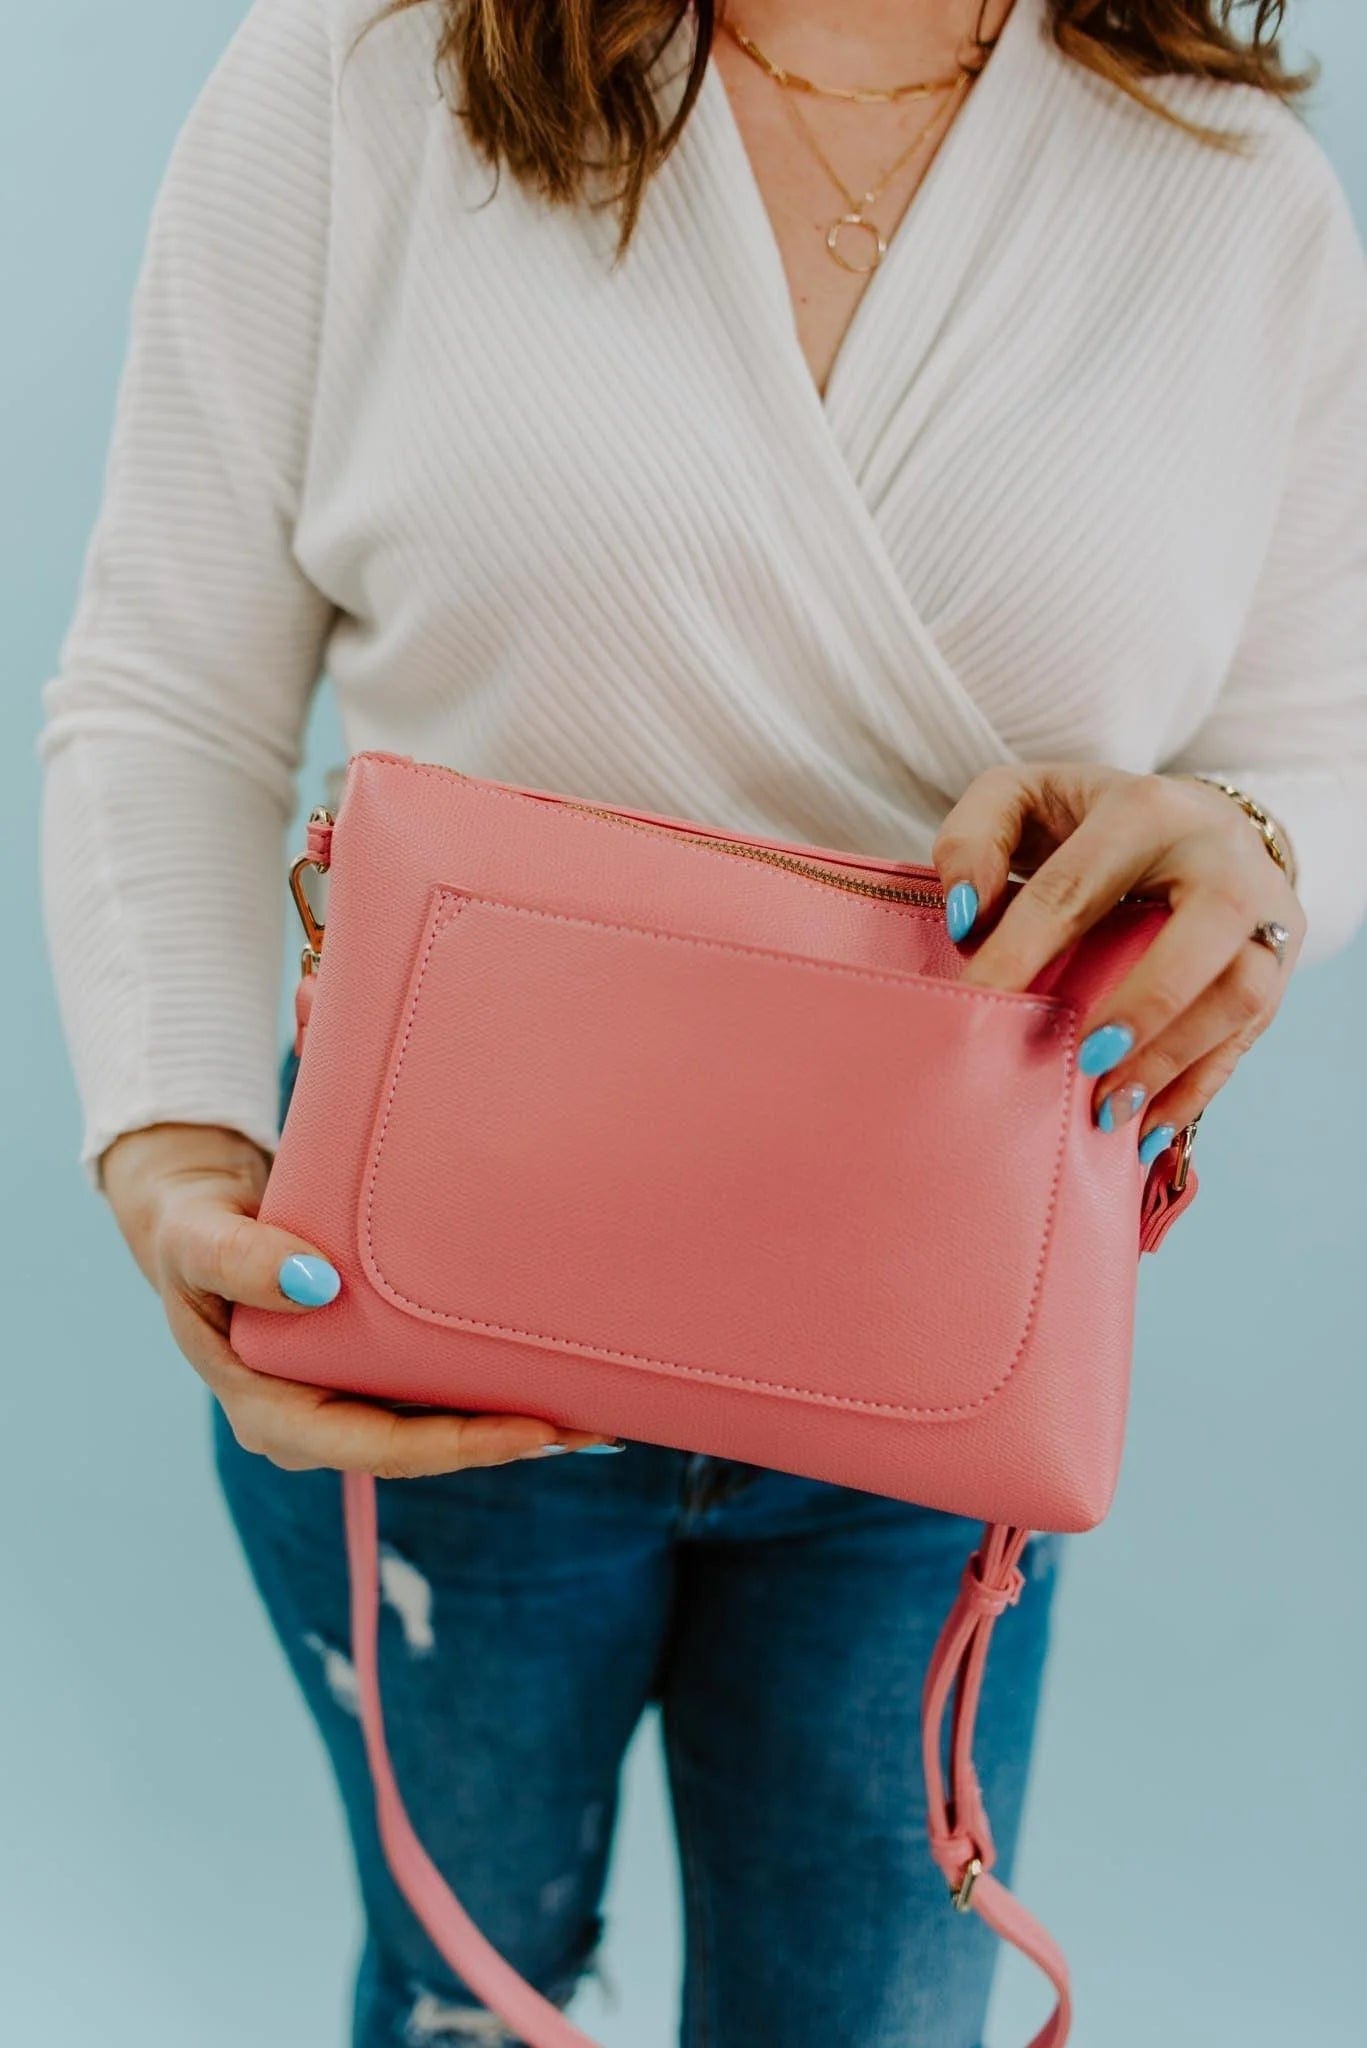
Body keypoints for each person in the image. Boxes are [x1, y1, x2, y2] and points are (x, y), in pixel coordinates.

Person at [38, 1, 1367, 2042]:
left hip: (933, 1358)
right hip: (424, 1297)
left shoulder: (1231, 197)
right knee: (465, 1998)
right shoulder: (355, 74)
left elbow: (1314, 739)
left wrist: (1259, 853)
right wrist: (174, 1140)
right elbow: (167, 690)